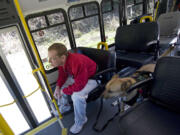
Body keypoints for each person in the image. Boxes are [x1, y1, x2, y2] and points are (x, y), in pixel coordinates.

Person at [48, 43, 98, 134]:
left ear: (62, 57)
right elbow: (63, 75)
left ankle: (81, 121)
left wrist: (64, 91)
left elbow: (79, 86)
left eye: (52, 58)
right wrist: (58, 87)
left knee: (76, 96)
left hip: (93, 78)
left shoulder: (77, 62)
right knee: (62, 86)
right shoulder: (62, 62)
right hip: (80, 77)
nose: (49, 61)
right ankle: (65, 106)